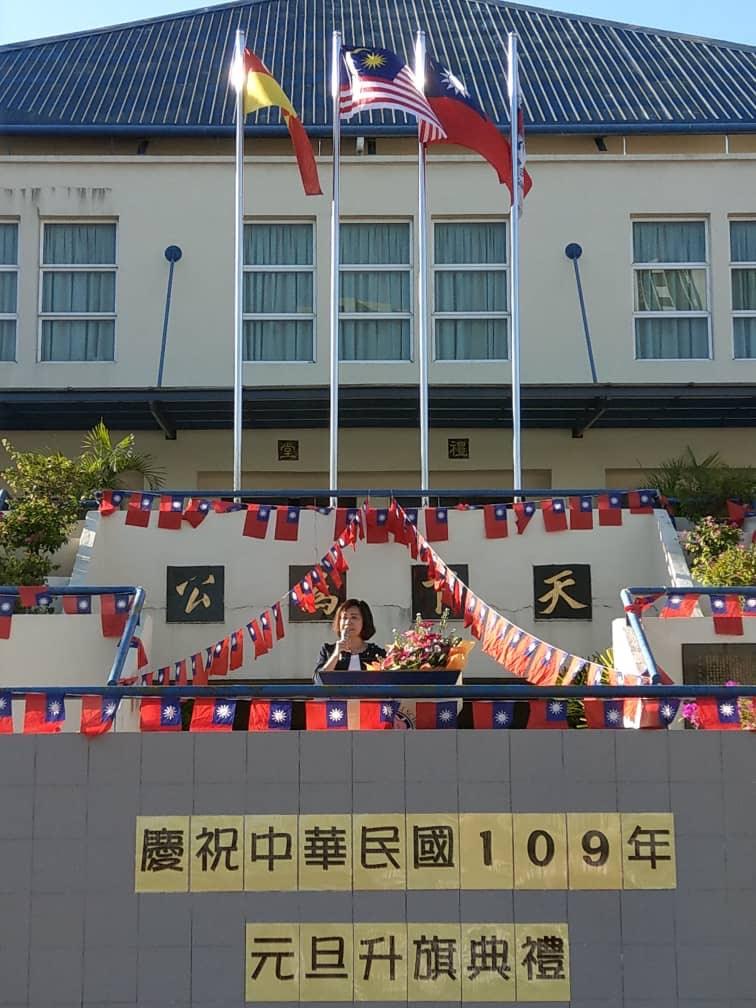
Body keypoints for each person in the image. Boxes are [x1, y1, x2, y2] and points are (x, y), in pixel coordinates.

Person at [314, 598, 386, 680]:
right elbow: (318, 681)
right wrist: (335, 655)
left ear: (364, 621)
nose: (348, 622)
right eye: (344, 618)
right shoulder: (328, 651)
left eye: (354, 617)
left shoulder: (377, 654)